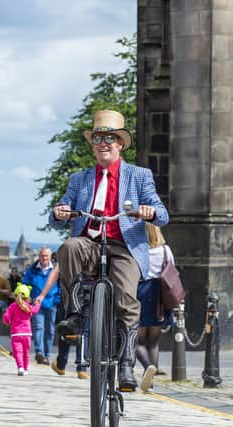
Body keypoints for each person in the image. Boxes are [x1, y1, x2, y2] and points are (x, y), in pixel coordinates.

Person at [49, 110, 169, 391]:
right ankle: (75, 316)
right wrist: (60, 212)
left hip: (125, 246)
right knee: (68, 247)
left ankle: (126, 364)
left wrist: (149, 212)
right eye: (98, 138)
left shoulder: (139, 176)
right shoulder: (80, 179)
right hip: (89, 242)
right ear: (93, 144)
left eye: (110, 138)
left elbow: (162, 214)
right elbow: (58, 212)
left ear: (120, 144)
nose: (103, 143)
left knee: (126, 298)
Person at [135, 224, 175, 392]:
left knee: (137, 341)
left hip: (141, 293)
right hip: (160, 296)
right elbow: (171, 270)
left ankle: (148, 367)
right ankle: (151, 379)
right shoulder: (166, 250)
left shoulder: (139, 250)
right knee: (153, 342)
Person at [36, 265, 89, 380]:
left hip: (68, 299)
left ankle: (61, 365)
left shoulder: (69, 252)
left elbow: (54, 274)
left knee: (65, 329)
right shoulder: (91, 253)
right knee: (84, 332)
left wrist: (43, 294)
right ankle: (82, 368)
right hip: (87, 297)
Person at [22, 246, 59, 365]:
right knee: (38, 327)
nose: (44, 258)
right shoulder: (31, 270)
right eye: (42, 256)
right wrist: (27, 297)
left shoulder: (55, 270)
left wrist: (58, 299)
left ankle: (47, 355)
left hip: (52, 303)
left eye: (46, 256)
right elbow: (25, 284)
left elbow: (62, 285)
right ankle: (39, 353)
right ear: (39, 256)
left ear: (50, 257)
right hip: (36, 303)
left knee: (50, 330)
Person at [3, 283, 40, 376]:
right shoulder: (27, 306)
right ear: (27, 297)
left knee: (18, 353)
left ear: (15, 295)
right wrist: (38, 304)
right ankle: (26, 369)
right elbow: (34, 310)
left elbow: (6, 317)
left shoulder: (12, 306)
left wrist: (7, 322)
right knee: (26, 353)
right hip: (27, 334)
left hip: (16, 334)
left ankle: (20, 368)